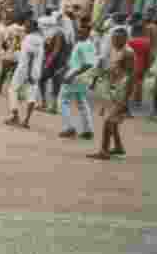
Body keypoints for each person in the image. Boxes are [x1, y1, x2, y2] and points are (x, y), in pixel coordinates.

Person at [88, 28, 135, 160]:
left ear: (125, 39)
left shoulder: (128, 53)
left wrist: (126, 99)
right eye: (113, 38)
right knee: (112, 122)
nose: (114, 41)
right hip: (113, 90)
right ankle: (119, 147)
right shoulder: (115, 50)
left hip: (122, 91)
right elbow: (110, 68)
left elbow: (131, 76)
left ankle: (104, 151)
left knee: (109, 121)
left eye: (118, 39)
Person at [58, 18, 97, 140]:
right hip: (82, 79)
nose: (79, 33)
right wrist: (64, 69)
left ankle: (69, 127)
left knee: (63, 101)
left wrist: (71, 75)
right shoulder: (87, 43)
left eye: (82, 32)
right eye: (78, 31)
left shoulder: (84, 45)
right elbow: (76, 61)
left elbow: (88, 64)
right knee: (82, 103)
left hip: (76, 77)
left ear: (88, 32)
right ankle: (88, 130)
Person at [5, 15, 45, 129]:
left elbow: (31, 56)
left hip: (25, 69)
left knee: (12, 89)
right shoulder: (40, 39)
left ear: (32, 27)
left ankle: (15, 115)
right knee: (32, 95)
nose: (24, 27)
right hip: (36, 70)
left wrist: (29, 73)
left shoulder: (29, 38)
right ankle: (26, 120)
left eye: (26, 26)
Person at [127, 22, 151, 109]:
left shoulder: (130, 41)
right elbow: (148, 56)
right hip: (141, 65)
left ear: (134, 31)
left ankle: (126, 99)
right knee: (139, 83)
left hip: (130, 65)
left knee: (128, 83)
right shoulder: (147, 42)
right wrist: (147, 66)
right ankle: (138, 100)